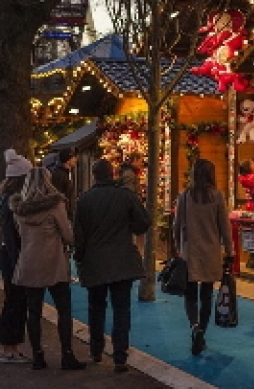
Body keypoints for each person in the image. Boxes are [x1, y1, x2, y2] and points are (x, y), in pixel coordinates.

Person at [73, 159, 151, 373]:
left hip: (95, 261)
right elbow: (144, 222)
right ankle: (120, 357)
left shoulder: (84, 200)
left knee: (96, 308)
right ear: (112, 173)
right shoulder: (125, 195)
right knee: (121, 309)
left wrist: (79, 257)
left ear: (94, 175)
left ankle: (96, 350)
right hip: (121, 260)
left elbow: (78, 235)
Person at [11, 167, 85, 370]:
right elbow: (68, 236)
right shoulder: (55, 205)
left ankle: (38, 356)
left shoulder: (19, 209)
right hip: (54, 264)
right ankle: (67, 355)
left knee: (33, 311)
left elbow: (20, 236)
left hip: (29, 263)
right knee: (64, 310)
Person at [173, 158, 234, 356]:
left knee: (190, 295)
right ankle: (202, 333)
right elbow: (225, 227)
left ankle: (194, 326)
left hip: (190, 251)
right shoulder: (217, 196)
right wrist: (230, 251)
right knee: (206, 295)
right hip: (211, 251)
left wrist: (177, 247)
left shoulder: (185, 196)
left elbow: (176, 225)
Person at [0, 149, 32, 363]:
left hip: (7, 256)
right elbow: (13, 234)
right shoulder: (14, 201)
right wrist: (18, 259)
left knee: (14, 300)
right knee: (16, 301)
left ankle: (10, 346)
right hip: (13, 258)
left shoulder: (4, 198)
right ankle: (9, 348)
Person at [49, 148, 77, 222]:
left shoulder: (67, 173)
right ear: (68, 160)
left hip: (67, 213)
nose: (75, 159)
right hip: (63, 215)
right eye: (73, 157)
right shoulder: (59, 175)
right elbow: (57, 195)